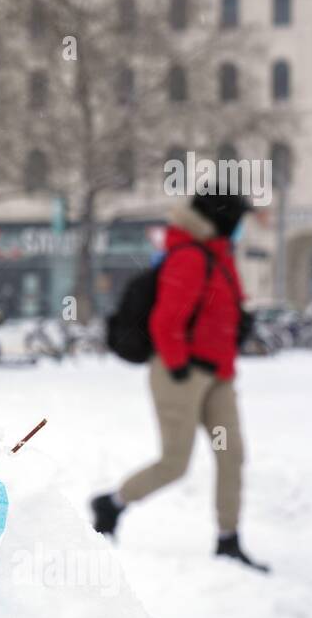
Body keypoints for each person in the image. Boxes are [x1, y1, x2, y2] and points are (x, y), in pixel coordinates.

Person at [92, 188, 269, 572]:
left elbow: (225, 312)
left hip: (218, 376)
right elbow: (166, 321)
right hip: (180, 375)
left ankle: (228, 539)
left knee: (232, 455)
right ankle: (112, 503)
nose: (240, 228)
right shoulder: (189, 257)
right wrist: (177, 367)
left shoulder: (220, 256)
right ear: (221, 220)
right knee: (175, 463)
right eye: (237, 221)